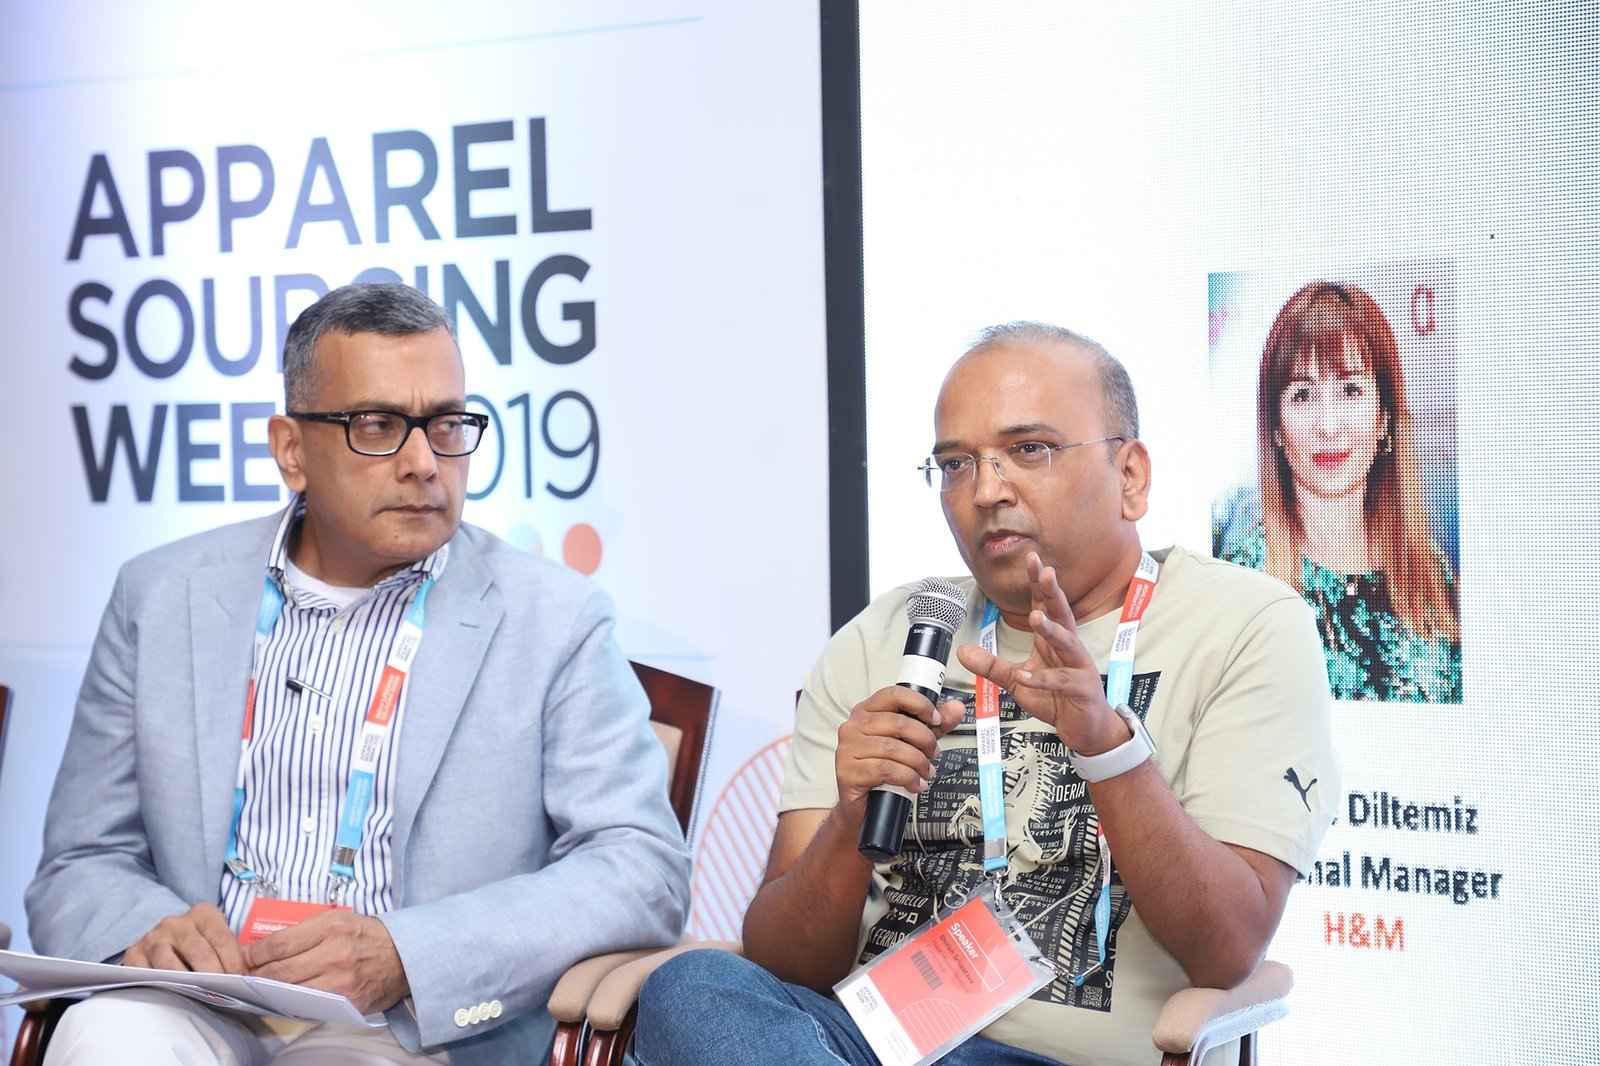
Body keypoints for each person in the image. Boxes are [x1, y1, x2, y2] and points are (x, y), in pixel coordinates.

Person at [633, 322, 1339, 1066]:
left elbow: (1229, 947)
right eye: (955, 464)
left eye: (1029, 449)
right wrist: (849, 820)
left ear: (1130, 475)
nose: (986, 490)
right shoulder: (885, 637)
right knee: (690, 986)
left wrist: (1107, 748)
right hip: (865, 1044)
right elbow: (782, 961)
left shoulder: (1245, 625)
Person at [25, 283, 690, 1065]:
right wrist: (152, 931)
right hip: (204, 1000)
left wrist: (408, 953)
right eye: (377, 426)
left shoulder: (554, 618)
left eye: (447, 425)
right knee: (105, 1035)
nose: (424, 464)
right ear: (291, 450)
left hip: (405, 1024)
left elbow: (640, 866)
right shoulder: (160, 596)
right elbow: (78, 861)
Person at [1218, 281, 1462, 703]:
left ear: (1384, 417)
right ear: (1276, 428)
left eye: (1350, 390)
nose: (1328, 425)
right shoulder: (1239, 586)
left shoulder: (1433, 576)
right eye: (1303, 394)